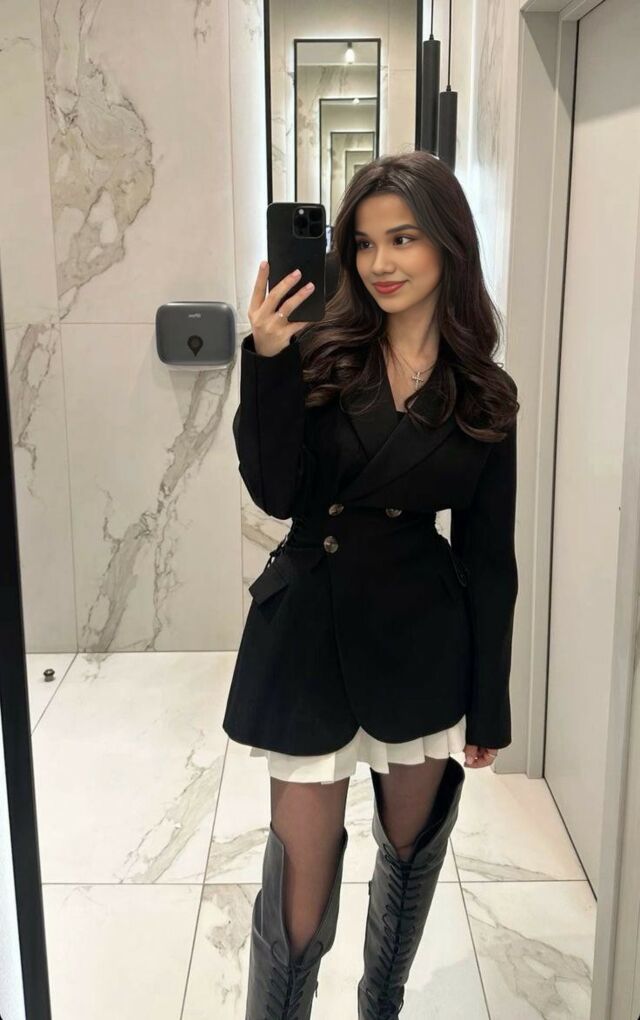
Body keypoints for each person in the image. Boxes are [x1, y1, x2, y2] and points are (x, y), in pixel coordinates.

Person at [223, 150, 519, 1019]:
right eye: (362, 243)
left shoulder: (484, 393)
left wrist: (489, 705)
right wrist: (268, 357)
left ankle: (378, 1006)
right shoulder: (319, 352)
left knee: (412, 856)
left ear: (449, 245)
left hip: (420, 638)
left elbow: (489, 558)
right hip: (311, 629)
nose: (380, 263)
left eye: (404, 239)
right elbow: (275, 491)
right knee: (296, 897)